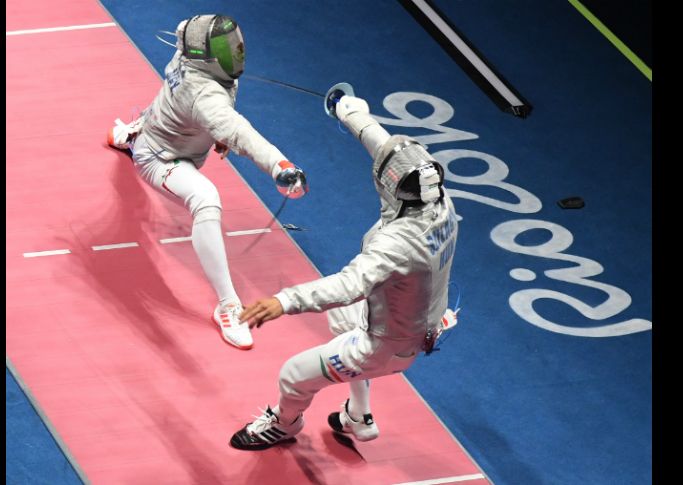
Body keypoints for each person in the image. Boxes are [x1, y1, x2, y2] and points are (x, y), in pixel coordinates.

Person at [229, 88, 460, 450]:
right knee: (341, 322)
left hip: (386, 346)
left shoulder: (398, 243)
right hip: (413, 315)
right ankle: (358, 417)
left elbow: (348, 285)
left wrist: (283, 301)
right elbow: (391, 152)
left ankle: (284, 424)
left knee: (294, 375)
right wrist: (350, 112)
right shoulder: (440, 199)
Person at [106, 14, 308, 351]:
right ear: (205, 55)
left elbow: (188, 30)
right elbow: (239, 130)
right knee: (206, 199)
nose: (237, 51)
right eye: (228, 48)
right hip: (163, 158)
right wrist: (279, 166)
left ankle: (137, 130)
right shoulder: (204, 95)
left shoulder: (188, 42)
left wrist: (214, 131)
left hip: (172, 129)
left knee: (171, 111)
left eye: (236, 43)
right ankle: (228, 306)